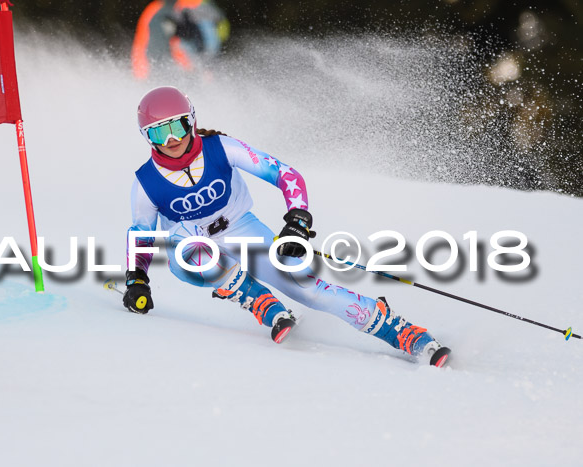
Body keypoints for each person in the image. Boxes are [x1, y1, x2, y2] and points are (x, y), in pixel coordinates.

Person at [123, 86, 451, 366]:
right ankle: (256, 299)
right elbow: (141, 233)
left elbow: (285, 174)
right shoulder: (146, 182)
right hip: (193, 246)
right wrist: (137, 278)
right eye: (158, 132)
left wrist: (298, 220)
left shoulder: (221, 148)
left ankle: (404, 333)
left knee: (309, 290)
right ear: (146, 137)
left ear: (191, 121)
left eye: (177, 127)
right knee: (182, 245)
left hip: (242, 229)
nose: (170, 139)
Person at [131, 0, 229, 80]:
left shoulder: (154, 9)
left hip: (182, 75)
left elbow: (213, 39)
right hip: (161, 75)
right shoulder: (154, 9)